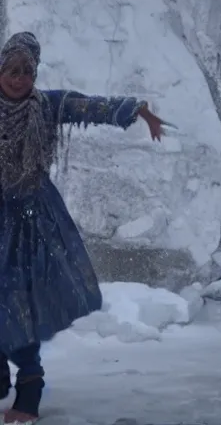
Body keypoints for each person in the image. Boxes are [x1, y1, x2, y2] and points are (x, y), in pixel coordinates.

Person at [0, 32, 166, 423]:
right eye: (12, 69)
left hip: (32, 219)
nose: (19, 78)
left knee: (19, 297)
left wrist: (138, 110)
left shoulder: (47, 106)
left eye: (27, 71)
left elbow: (90, 107)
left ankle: (29, 390)